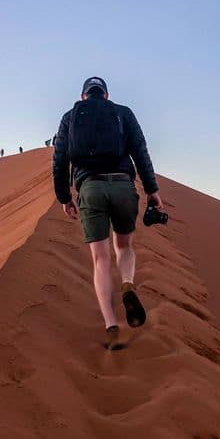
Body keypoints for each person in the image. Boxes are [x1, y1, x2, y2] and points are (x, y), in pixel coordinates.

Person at [52, 76, 164, 350]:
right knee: (124, 246)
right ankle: (127, 284)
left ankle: (112, 326)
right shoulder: (122, 113)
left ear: (83, 97)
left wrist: (64, 197)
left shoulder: (70, 117)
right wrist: (152, 190)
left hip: (89, 189)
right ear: (106, 94)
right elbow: (141, 152)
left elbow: (60, 159)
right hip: (123, 187)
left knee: (101, 259)